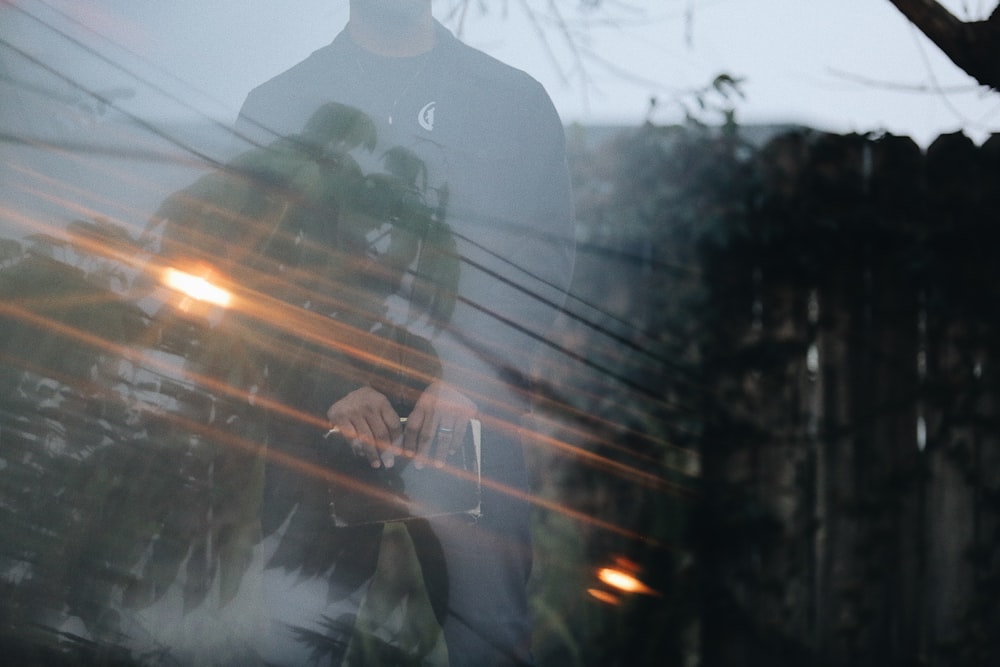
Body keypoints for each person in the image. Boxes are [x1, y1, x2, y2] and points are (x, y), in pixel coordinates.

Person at [234, 2, 575, 665]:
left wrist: (466, 381)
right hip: (320, 419)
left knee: (491, 640)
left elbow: (542, 256)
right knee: (298, 639)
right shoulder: (281, 102)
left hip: (468, 419)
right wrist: (333, 381)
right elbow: (250, 266)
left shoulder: (512, 100)